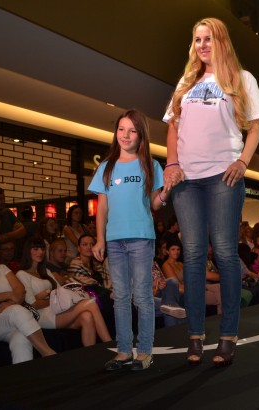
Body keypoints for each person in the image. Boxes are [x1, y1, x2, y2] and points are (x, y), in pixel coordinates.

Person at [163, 17, 259, 366]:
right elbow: (173, 127)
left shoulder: (242, 78)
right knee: (192, 255)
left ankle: (227, 335)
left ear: (221, 41)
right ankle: (195, 336)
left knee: (224, 253)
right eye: (197, 39)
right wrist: (171, 164)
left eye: (208, 38)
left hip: (224, 176)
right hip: (186, 180)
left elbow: (255, 128)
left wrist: (243, 161)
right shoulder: (186, 82)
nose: (202, 45)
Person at [89, 109, 167, 372]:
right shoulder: (106, 167)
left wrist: (167, 190)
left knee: (142, 297)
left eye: (132, 130)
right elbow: (102, 208)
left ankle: (144, 352)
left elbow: (155, 203)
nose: (125, 135)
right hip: (114, 240)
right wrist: (99, 239)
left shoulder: (150, 165)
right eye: (121, 129)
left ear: (141, 135)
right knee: (120, 297)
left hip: (141, 238)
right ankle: (123, 351)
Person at [16, 237, 112, 347]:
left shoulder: (45, 271)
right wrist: (51, 298)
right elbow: (33, 304)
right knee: (91, 304)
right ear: (28, 251)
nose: (40, 252)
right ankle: (109, 344)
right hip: (42, 315)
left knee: (87, 316)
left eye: (42, 249)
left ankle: (90, 353)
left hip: (57, 309)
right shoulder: (21, 274)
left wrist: (48, 294)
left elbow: (59, 291)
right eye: (35, 249)